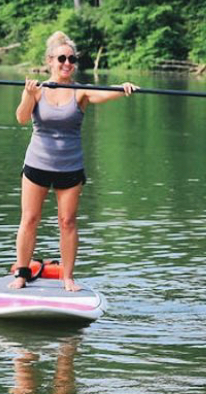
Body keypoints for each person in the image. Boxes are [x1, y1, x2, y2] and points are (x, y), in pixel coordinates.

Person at [10, 31, 137, 292]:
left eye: (72, 59)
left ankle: (67, 277)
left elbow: (105, 93)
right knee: (30, 218)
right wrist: (26, 94)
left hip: (70, 168)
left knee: (67, 222)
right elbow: (22, 118)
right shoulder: (38, 90)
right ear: (50, 61)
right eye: (62, 58)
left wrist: (123, 88)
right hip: (37, 165)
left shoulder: (80, 92)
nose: (67, 63)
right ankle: (21, 273)